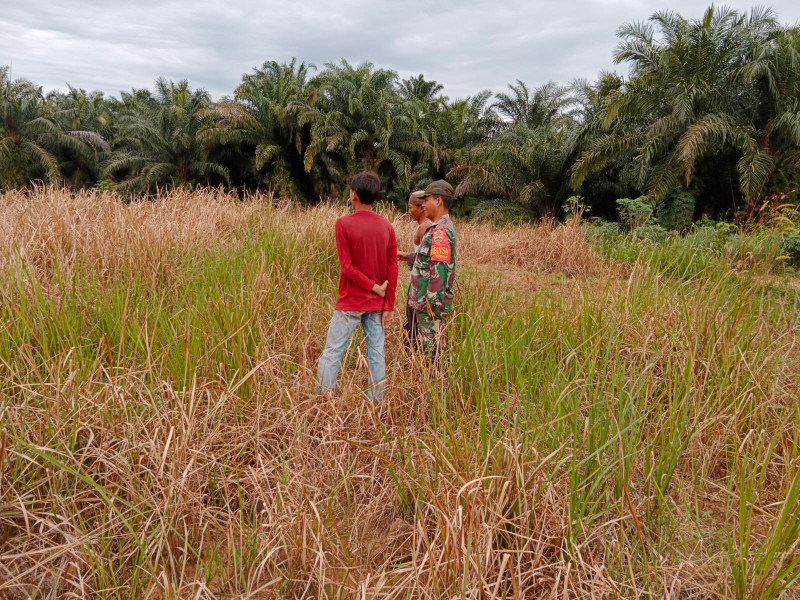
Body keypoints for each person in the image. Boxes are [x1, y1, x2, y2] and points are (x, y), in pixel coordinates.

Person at [315, 171, 399, 402]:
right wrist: (387, 302)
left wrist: (373, 287)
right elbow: (393, 267)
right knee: (376, 354)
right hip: (376, 304)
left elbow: (347, 268)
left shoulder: (343, 223)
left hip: (350, 301)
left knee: (332, 352)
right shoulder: (387, 226)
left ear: (353, 195)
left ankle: (323, 401)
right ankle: (377, 403)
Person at [407, 180, 457, 359]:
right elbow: (428, 260)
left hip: (429, 306)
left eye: (426, 200)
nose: (424, 205)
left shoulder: (440, 232)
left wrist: (432, 300)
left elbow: (439, 267)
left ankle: (438, 382)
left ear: (438, 201)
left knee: (433, 349)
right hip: (426, 302)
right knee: (431, 346)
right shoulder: (440, 228)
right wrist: (407, 257)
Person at [398, 191, 433, 348]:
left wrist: (407, 256)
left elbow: (429, 259)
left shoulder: (425, 227)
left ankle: (412, 363)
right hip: (419, 284)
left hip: (421, 287)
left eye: (411, 207)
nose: (409, 211)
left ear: (421, 208)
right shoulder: (425, 226)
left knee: (412, 328)